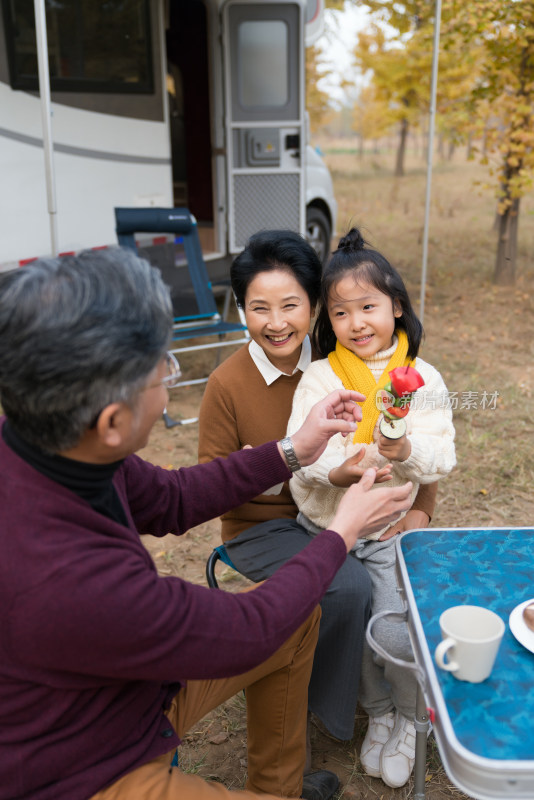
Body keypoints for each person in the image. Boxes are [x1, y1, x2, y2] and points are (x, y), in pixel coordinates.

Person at [0, 248, 414, 800]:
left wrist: (294, 447)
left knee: (296, 622)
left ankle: (281, 787)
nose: (169, 380)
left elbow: (173, 497)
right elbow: (248, 629)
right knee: (281, 618)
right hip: (83, 764)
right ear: (113, 421)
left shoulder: (53, 441)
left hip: (127, 682)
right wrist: (343, 530)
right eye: (161, 369)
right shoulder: (69, 574)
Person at [198, 230, 437, 746]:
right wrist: (271, 466)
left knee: (397, 577)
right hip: (263, 526)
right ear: (242, 310)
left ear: (315, 307)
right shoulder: (227, 384)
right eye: (259, 308)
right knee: (347, 582)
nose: (277, 322)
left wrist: (423, 510)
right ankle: (329, 713)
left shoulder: (342, 358)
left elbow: (411, 440)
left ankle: (390, 701)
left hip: (344, 512)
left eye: (291, 305)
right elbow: (210, 484)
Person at [287, 228, 456, 789]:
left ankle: (412, 717)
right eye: (340, 313)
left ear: (396, 307)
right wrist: (339, 470)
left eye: (368, 307)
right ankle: (380, 713)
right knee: (355, 628)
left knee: (395, 632)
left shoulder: (422, 379)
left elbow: (442, 457)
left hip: (384, 531)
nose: (357, 323)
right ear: (327, 321)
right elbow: (305, 454)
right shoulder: (320, 376)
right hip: (329, 526)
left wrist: (403, 449)